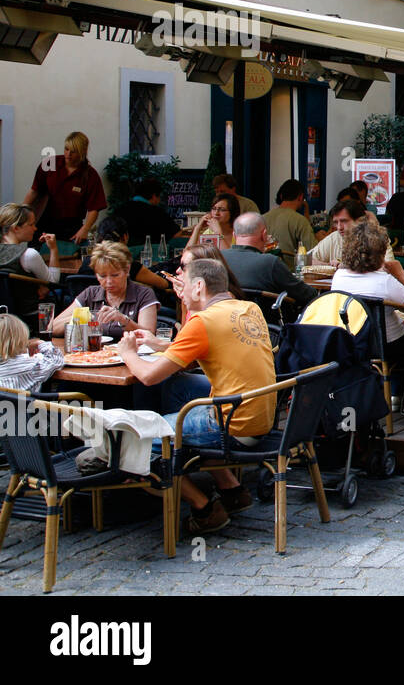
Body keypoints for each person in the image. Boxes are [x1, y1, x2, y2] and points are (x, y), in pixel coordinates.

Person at [117, 259, 275, 534]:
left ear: (199, 286)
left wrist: (127, 353)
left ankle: (204, 508)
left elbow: (149, 376)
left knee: (134, 437)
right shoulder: (248, 307)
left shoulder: (202, 322)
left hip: (230, 423)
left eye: (184, 284)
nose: (179, 290)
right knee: (177, 390)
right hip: (259, 414)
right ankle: (232, 489)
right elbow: (205, 344)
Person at [332, 223, 404, 378]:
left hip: (351, 342)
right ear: (380, 253)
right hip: (385, 346)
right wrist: (400, 273)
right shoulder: (385, 281)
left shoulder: (338, 277)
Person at [51, 242, 159, 342]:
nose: (108, 281)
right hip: (94, 355)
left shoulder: (144, 294)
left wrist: (122, 319)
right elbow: (52, 327)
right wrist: (82, 317)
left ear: (127, 270)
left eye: (115, 275)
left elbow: (149, 336)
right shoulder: (90, 294)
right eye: (102, 276)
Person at [309, 200, 404, 293]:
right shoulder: (334, 237)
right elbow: (309, 259)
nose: (339, 227)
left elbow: (387, 267)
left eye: (344, 221)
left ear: (360, 221)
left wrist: (343, 267)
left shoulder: (376, 238)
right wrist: (330, 266)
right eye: (335, 222)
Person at [22, 131, 106, 243]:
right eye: (66, 149)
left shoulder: (90, 175)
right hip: (43, 222)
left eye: (73, 151)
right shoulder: (50, 164)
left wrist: (85, 229)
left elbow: (94, 208)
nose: (68, 154)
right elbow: (34, 191)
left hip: (71, 228)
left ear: (83, 151)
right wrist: (21, 212)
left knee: (67, 258)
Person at [221, 213, 318, 309]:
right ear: (264, 235)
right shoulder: (270, 262)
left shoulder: (219, 258)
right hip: (268, 322)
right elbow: (307, 294)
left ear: (234, 235)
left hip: (227, 320)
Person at [75, 215, 171, 294]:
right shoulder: (125, 264)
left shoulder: (87, 262)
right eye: (102, 276)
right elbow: (163, 284)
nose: (108, 281)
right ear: (125, 237)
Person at [0, 203, 61, 318]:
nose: (35, 228)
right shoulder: (29, 255)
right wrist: (53, 249)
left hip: (4, 315)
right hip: (30, 315)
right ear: (16, 228)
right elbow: (53, 283)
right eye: (31, 224)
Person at [0, 313, 64, 392]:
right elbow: (56, 360)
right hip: (25, 404)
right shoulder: (30, 366)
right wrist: (41, 343)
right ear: (21, 339)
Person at [263, 179, 316, 267]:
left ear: (281, 196)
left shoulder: (262, 218)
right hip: (289, 272)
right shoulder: (300, 221)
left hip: (264, 270)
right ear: (300, 197)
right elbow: (313, 251)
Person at [117, 177, 179, 246]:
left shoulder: (121, 209)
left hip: (127, 252)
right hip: (154, 253)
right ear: (154, 196)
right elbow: (176, 234)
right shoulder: (156, 212)